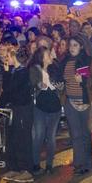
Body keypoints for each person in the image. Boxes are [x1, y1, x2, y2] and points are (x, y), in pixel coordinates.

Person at [57, 36, 92, 175]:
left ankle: (87, 163)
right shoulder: (64, 61)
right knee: (76, 134)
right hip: (70, 102)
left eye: (75, 45)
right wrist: (60, 86)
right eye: (70, 45)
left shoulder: (88, 60)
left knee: (85, 133)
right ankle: (79, 164)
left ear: (81, 46)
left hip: (85, 102)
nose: (72, 48)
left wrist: (83, 80)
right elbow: (61, 79)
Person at [0, 44, 34, 182]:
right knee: (12, 138)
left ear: (14, 57)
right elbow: (6, 92)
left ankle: (26, 170)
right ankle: (14, 167)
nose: (6, 59)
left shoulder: (23, 72)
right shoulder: (15, 71)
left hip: (22, 110)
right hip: (14, 109)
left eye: (8, 56)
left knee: (22, 139)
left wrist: (6, 73)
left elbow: (10, 90)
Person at [29, 46, 61, 175]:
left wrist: (60, 86)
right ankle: (36, 164)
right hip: (40, 107)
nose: (51, 56)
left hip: (55, 106)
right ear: (42, 57)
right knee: (38, 136)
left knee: (51, 137)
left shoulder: (54, 68)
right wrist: (39, 85)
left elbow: (60, 82)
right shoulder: (34, 69)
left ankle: (49, 164)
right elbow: (32, 83)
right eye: (48, 55)